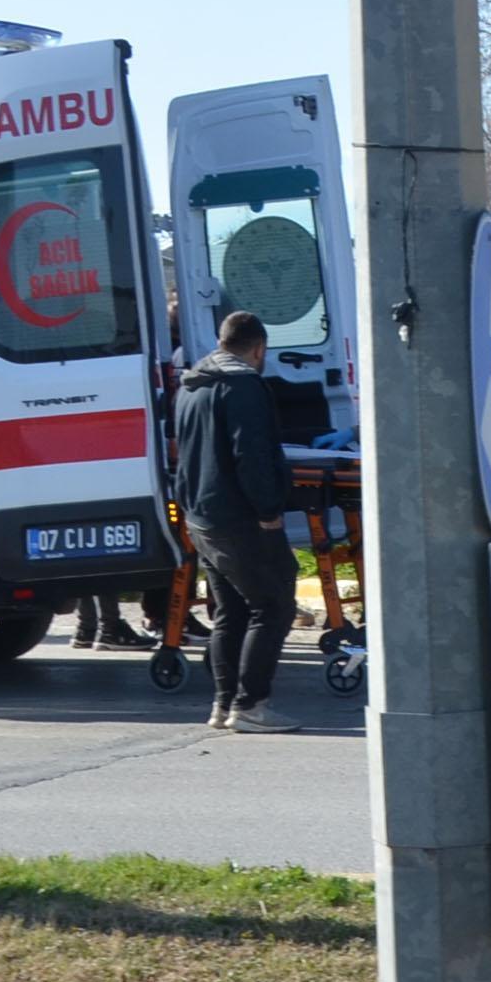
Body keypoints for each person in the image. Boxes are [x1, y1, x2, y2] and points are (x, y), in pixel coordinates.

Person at [173, 311, 303, 733]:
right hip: (239, 517)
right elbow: (252, 454)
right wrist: (269, 510)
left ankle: (223, 702)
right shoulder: (243, 386)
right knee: (274, 604)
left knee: (230, 610)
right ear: (259, 348)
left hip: (202, 516)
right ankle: (251, 706)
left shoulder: (192, 387)